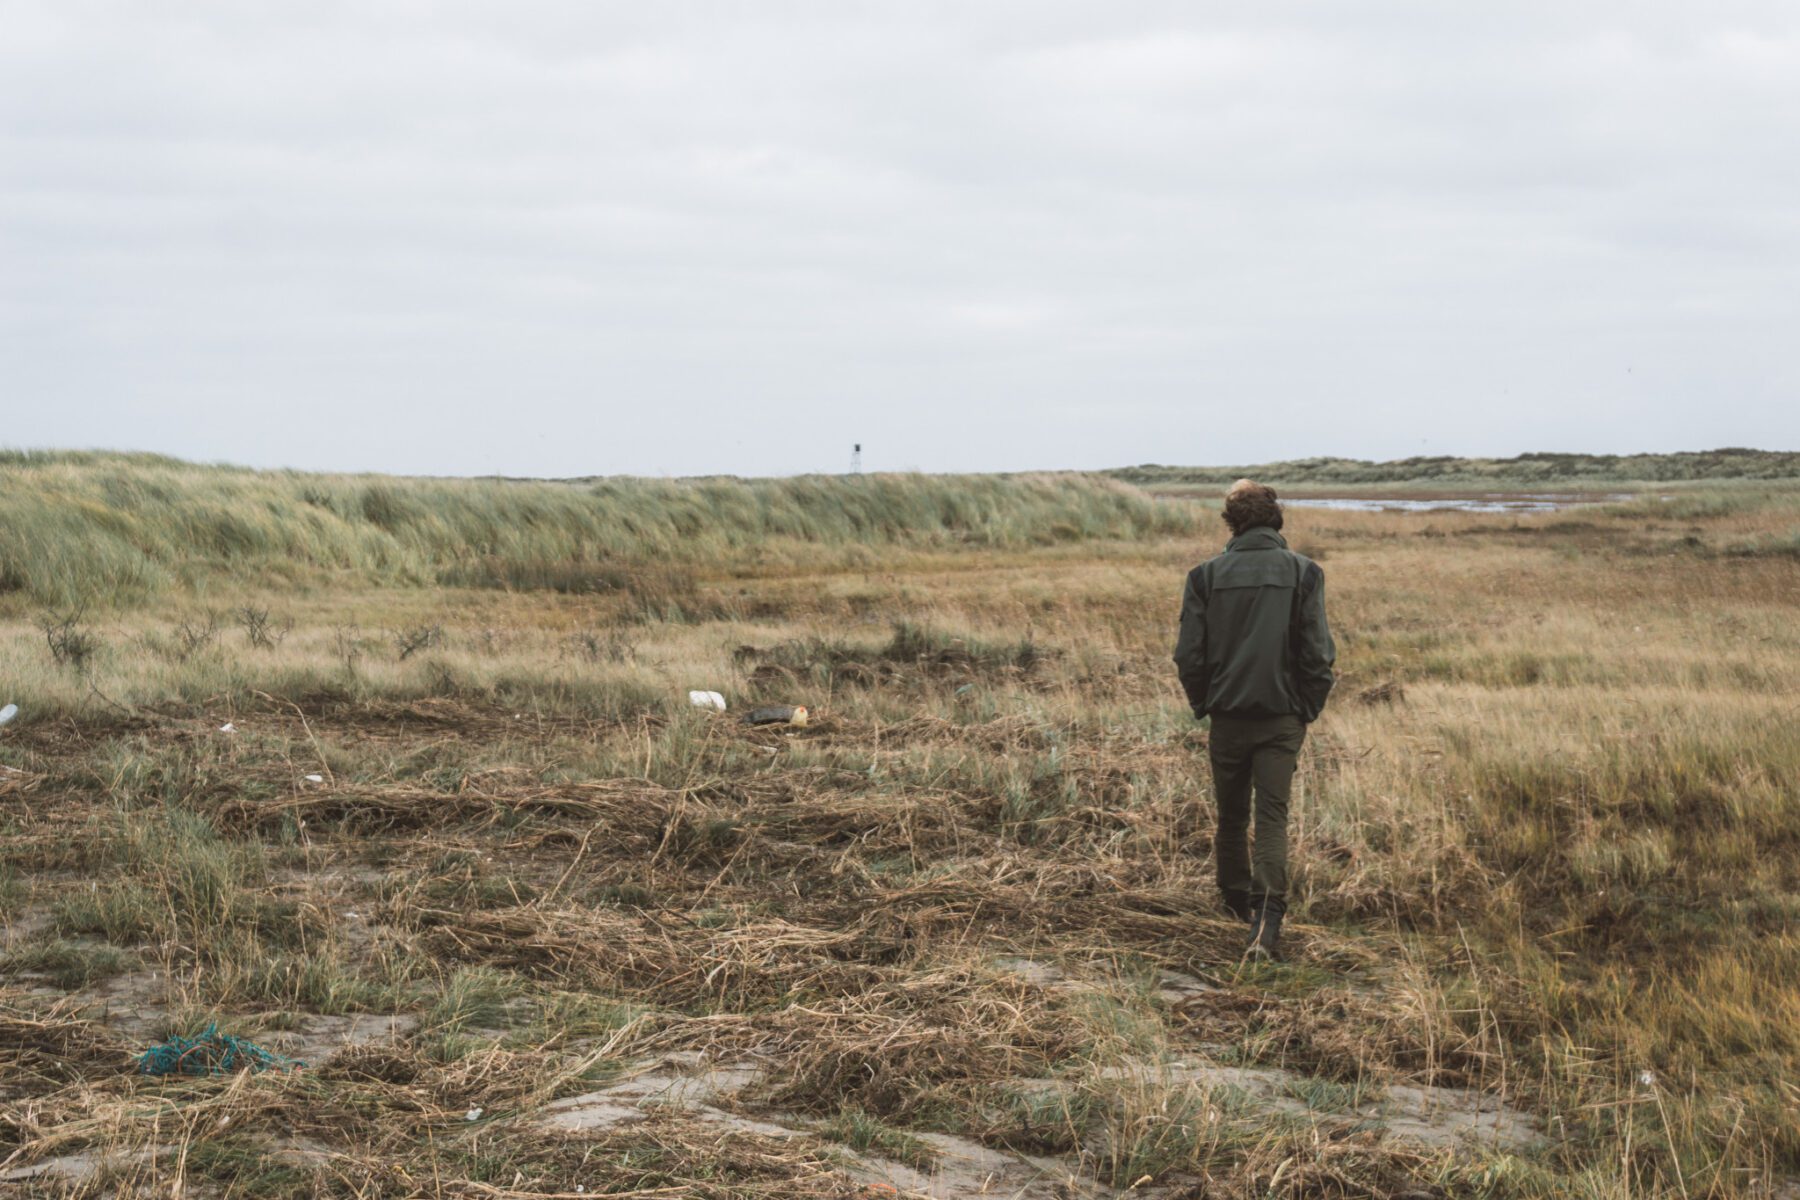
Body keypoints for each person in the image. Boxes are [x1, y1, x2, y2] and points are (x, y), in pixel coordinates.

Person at [1172, 479, 1335, 959]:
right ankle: (1264, 926)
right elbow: (1318, 654)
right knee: (1271, 819)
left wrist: (1206, 703)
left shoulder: (1204, 576)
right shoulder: (1305, 573)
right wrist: (1307, 707)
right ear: (1276, 517)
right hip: (1282, 718)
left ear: (1231, 521)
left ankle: (1233, 901)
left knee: (1230, 816)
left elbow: (1189, 656)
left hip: (1228, 716)